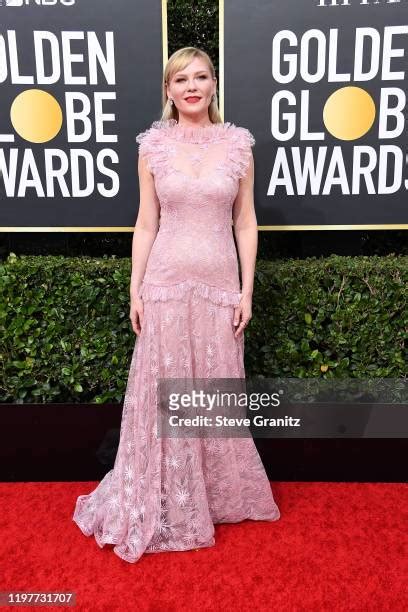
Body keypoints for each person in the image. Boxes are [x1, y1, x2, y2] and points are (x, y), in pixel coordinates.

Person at [73, 46, 280, 563]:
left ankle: (210, 495)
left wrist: (246, 290)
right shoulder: (153, 146)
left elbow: (245, 222)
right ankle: (164, 492)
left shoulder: (238, 145)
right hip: (164, 285)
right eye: (181, 79)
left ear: (214, 84)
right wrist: (134, 288)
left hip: (217, 288)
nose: (192, 86)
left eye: (201, 77)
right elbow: (145, 223)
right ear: (168, 90)